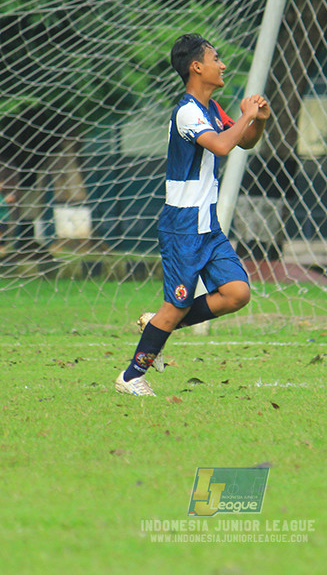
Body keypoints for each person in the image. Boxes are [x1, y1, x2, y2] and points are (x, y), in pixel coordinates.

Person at [115, 33, 270, 396]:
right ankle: (129, 377)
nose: (223, 65)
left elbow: (244, 141)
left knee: (236, 293)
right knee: (177, 304)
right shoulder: (187, 111)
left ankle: (159, 325)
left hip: (207, 224)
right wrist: (246, 115)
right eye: (217, 58)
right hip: (183, 225)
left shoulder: (213, 109)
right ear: (197, 66)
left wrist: (257, 120)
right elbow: (220, 145)